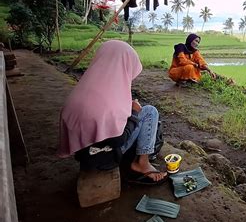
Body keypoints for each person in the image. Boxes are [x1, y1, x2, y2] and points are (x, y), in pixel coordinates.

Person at [58, 40, 167, 185]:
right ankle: (142, 163)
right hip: (105, 157)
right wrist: (134, 114)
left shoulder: (85, 88)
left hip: (84, 153)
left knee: (142, 111)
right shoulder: (108, 101)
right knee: (149, 112)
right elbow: (118, 139)